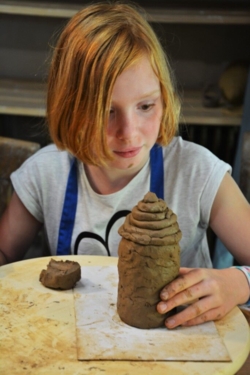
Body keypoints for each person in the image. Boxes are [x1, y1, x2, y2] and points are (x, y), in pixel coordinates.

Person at [0, 2, 250, 329]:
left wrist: (238, 283)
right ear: (69, 108)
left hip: (180, 350)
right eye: (107, 111)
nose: (128, 133)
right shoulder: (45, 175)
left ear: (164, 97)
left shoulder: (196, 173)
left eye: (145, 105)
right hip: (71, 344)